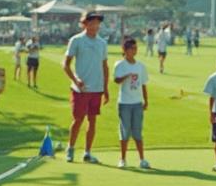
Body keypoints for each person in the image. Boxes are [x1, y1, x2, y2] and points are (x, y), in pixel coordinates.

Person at [63, 11, 110, 164]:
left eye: (97, 23)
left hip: (96, 89)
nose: (95, 26)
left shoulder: (102, 43)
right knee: (78, 119)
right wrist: (76, 80)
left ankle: (87, 152)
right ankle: (70, 148)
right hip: (80, 89)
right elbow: (66, 65)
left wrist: (106, 88)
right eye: (92, 22)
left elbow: (105, 66)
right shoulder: (76, 40)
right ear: (84, 23)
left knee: (92, 120)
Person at [113, 37, 150, 169]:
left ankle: (142, 159)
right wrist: (126, 76)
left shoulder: (141, 66)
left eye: (135, 48)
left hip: (137, 102)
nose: (134, 50)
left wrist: (146, 100)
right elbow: (116, 80)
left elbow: (144, 84)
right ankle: (122, 159)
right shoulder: (120, 65)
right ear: (125, 50)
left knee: (137, 131)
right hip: (124, 103)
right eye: (132, 48)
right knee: (124, 131)